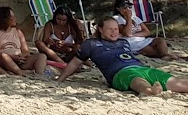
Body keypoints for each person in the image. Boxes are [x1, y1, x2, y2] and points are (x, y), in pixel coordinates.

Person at [57, 15, 187, 96]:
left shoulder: (124, 42)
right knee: (137, 81)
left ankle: (154, 89)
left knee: (177, 82)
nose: (114, 32)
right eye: (110, 29)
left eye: (116, 29)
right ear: (101, 29)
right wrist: (60, 79)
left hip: (141, 68)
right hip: (119, 74)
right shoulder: (91, 44)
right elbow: (75, 62)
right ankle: (150, 91)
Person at [0, 6, 48, 77]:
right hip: (4, 61)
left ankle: (39, 75)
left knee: (42, 56)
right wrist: (12, 57)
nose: (15, 19)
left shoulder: (18, 32)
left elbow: (25, 50)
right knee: (4, 56)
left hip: (20, 61)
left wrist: (22, 56)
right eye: (12, 17)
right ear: (4, 19)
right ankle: (20, 72)